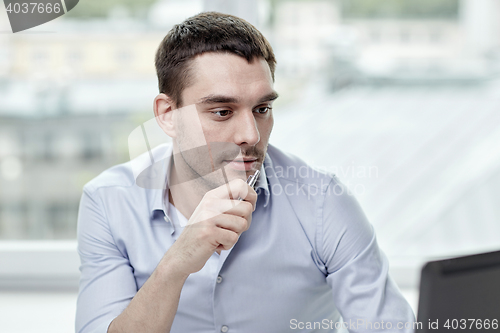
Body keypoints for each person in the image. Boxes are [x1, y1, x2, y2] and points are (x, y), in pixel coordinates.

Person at [76, 12, 415, 333]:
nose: (251, 135)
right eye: (222, 111)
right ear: (168, 114)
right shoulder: (109, 201)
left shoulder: (323, 201)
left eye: (262, 108)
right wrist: (177, 261)